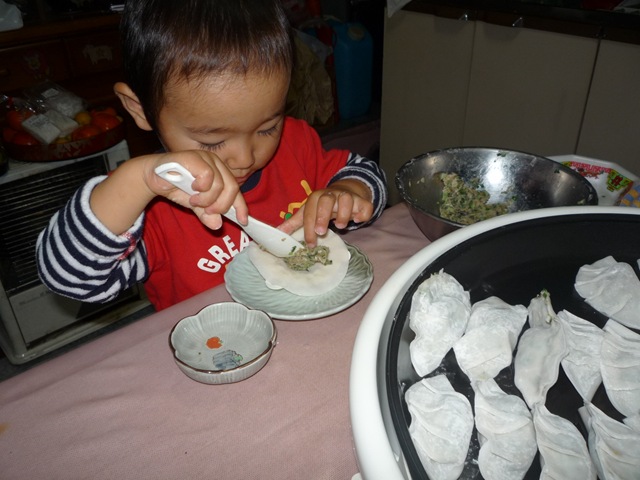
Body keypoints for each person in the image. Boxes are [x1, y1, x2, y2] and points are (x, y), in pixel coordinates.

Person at [36, 0, 387, 311]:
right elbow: (69, 279)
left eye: (268, 127)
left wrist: (349, 193)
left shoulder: (296, 145)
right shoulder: (144, 206)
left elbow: (366, 176)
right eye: (213, 141)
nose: (245, 157)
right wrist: (139, 180)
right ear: (139, 109)